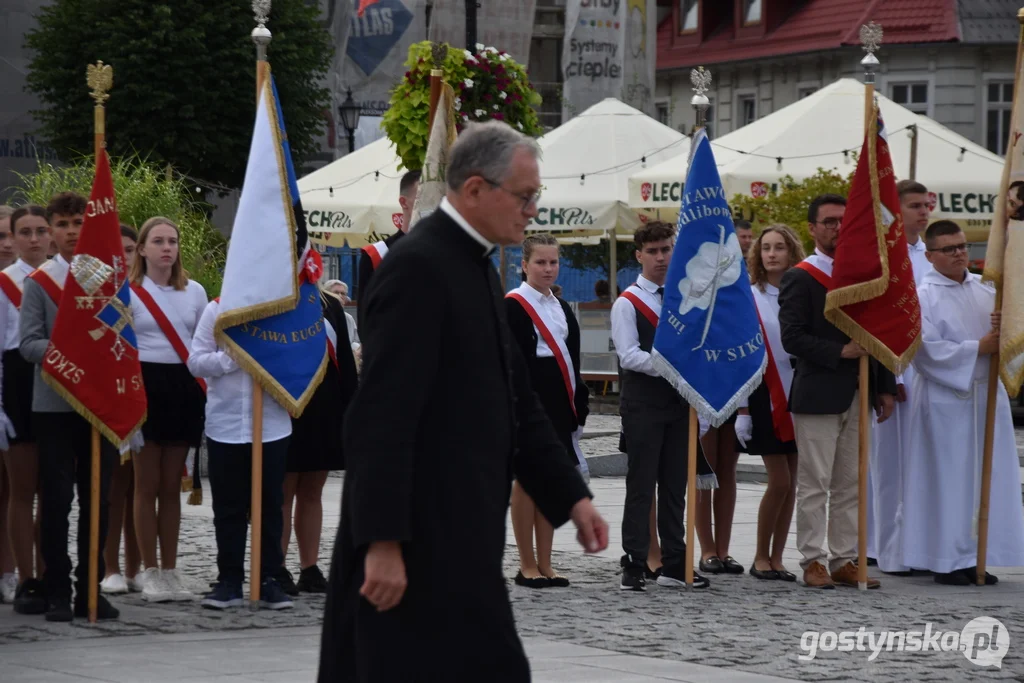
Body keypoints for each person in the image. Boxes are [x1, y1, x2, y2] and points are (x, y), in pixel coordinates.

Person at [317, 121, 607, 683]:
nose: (532, 211)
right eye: (525, 197)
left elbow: (518, 401)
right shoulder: (416, 269)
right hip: (412, 540)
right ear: (475, 190)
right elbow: (380, 417)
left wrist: (572, 498)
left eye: (536, 197)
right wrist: (381, 542)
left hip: (464, 538)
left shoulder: (475, 268)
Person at [778, 193, 897, 590]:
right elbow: (791, 337)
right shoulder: (801, 276)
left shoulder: (864, 276)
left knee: (851, 482)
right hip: (819, 393)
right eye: (829, 222)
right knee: (815, 482)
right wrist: (839, 351)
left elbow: (874, 336)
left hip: (859, 391)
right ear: (812, 229)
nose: (837, 228)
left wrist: (883, 387)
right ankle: (813, 559)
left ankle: (845, 557)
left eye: (843, 221)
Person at [903, 220, 1024, 585]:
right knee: (949, 481)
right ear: (930, 255)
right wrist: (977, 349)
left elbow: (1009, 338)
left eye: (961, 247)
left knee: (985, 479)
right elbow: (924, 350)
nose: (959, 254)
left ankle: (978, 554)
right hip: (946, 399)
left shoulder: (987, 291)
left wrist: (1007, 333)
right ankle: (946, 559)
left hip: (986, 396)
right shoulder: (922, 296)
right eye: (949, 249)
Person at [21, 191, 120, 621]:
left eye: (78, 223)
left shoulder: (108, 277)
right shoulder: (40, 282)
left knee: (98, 500)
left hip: (100, 404)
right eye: (60, 225)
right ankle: (57, 587)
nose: (70, 232)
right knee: (57, 500)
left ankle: (90, 589)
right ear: (50, 231)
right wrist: (71, 352)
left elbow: (121, 332)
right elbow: (28, 344)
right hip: (55, 404)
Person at [612, 220, 710, 591]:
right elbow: (629, 355)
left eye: (666, 249)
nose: (660, 257)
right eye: (652, 251)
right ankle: (634, 563)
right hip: (643, 406)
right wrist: (671, 366)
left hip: (679, 404)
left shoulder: (685, 298)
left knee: (675, 487)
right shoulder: (627, 302)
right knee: (641, 487)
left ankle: (674, 563)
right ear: (639, 256)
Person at [187, 297, 294, 610]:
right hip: (227, 424)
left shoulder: (280, 309)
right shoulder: (216, 309)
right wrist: (232, 358)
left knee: (271, 507)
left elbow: (296, 359)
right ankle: (229, 580)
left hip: (272, 424)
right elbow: (196, 361)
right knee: (229, 508)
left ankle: (270, 578)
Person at [127, 217, 209, 602]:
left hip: (182, 388)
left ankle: (172, 570)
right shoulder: (126, 293)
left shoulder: (194, 292)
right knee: (145, 485)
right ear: (141, 249)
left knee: (172, 486)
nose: (166, 248)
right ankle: (150, 572)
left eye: (172, 241)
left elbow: (203, 342)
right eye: (157, 241)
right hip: (142, 388)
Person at [505, 234, 589, 588]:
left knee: (550, 483)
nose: (548, 268)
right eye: (540, 262)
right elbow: (512, 364)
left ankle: (546, 562)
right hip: (529, 401)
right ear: (524, 265)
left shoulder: (561, 306)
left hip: (558, 401)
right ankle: (526, 563)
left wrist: (578, 404)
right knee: (527, 482)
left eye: (553, 262)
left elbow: (572, 359)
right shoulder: (513, 305)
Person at [869, 180, 933, 575]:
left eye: (926, 205)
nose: (924, 212)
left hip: (930, 372)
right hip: (892, 370)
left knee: (919, 463)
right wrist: (889, 378)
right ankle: (879, 543)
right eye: (914, 206)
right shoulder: (881, 259)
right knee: (885, 463)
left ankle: (917, 540)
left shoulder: (932, 255)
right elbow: (877, 323)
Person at [734, 225, 804, 581]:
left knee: (792, 483)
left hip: (800, 393)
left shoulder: (800, 292)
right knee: (778, 481)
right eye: (766, 248)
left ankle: (778, 557)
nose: (772, 254)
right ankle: (761, 555)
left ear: (792, 252)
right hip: (764, 395)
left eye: (780, 247)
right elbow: (743, 358)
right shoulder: (749, 297)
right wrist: (743, 410)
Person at [278, 287, 358, 595]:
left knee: (312, 490)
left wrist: (350, 408)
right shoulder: (270, 297)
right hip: (284, 402)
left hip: (324, 405)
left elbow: (345, 362)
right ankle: (277, 566)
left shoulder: (327, 302)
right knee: (283, 491)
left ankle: (309, 567)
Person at [0, 205, 51, 612]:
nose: (33, 240)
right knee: (21, 490)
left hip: (56, 383)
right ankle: (24, 577)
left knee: (53, 492)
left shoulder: (62, 280)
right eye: (25, 232)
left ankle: (50, 572)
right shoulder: (3, 284)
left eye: (40, 231)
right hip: (16, 385)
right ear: (13, 238)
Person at [101, 224, 144, 596]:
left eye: (129, 250)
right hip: (112, 398)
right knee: (115, 488)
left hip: (148, 397)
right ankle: (110, 566)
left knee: (140, 489)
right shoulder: (99, 296)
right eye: (118, 251)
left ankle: (137, 565)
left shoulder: (152, 293)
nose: (124, 258)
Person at [356, 170, 420, 327]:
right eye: (422, 197)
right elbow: (366, 321)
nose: (432, 203)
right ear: (404, 202)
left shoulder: (451, 252)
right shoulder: (376, 255)